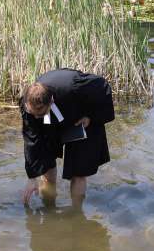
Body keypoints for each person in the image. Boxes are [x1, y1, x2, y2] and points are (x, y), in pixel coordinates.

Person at [20, 68, 115, 209]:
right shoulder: (28, 106)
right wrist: (32, 177)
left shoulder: (73, 86)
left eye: (39, 115)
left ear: (50, 102)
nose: (35, 118)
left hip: (80, 118)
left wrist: (91, 116)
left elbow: (103, 86)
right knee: (45, 161)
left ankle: (76, 212)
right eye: (32, 113)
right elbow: (31, 141)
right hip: (51, 123)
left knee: (79, 172)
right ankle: (49, 206)